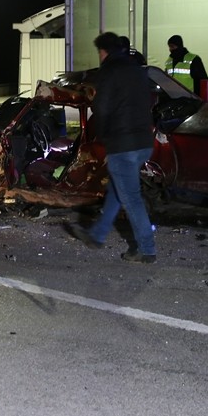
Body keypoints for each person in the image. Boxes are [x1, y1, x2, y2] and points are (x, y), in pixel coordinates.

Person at [66, 31, 158, 263]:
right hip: (143, 143)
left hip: (123, 145)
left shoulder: (109, 71)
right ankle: (97, 235)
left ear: (103, 51)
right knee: (118, 192)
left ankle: (147, 249)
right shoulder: (137, 70)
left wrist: (105, 135)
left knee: (131, 198)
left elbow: (102, 107)